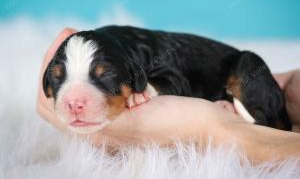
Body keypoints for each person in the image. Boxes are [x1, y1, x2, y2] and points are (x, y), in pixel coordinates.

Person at [36, 28, 300, 164]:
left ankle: (254, 121)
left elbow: (173, 81)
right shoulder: (122, 57)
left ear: (134, 73)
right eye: (59, 78)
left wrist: (213, 127)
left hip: (237, 76)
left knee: (247, 66)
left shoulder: (142, 62)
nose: (74, 101)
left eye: (103, 75)